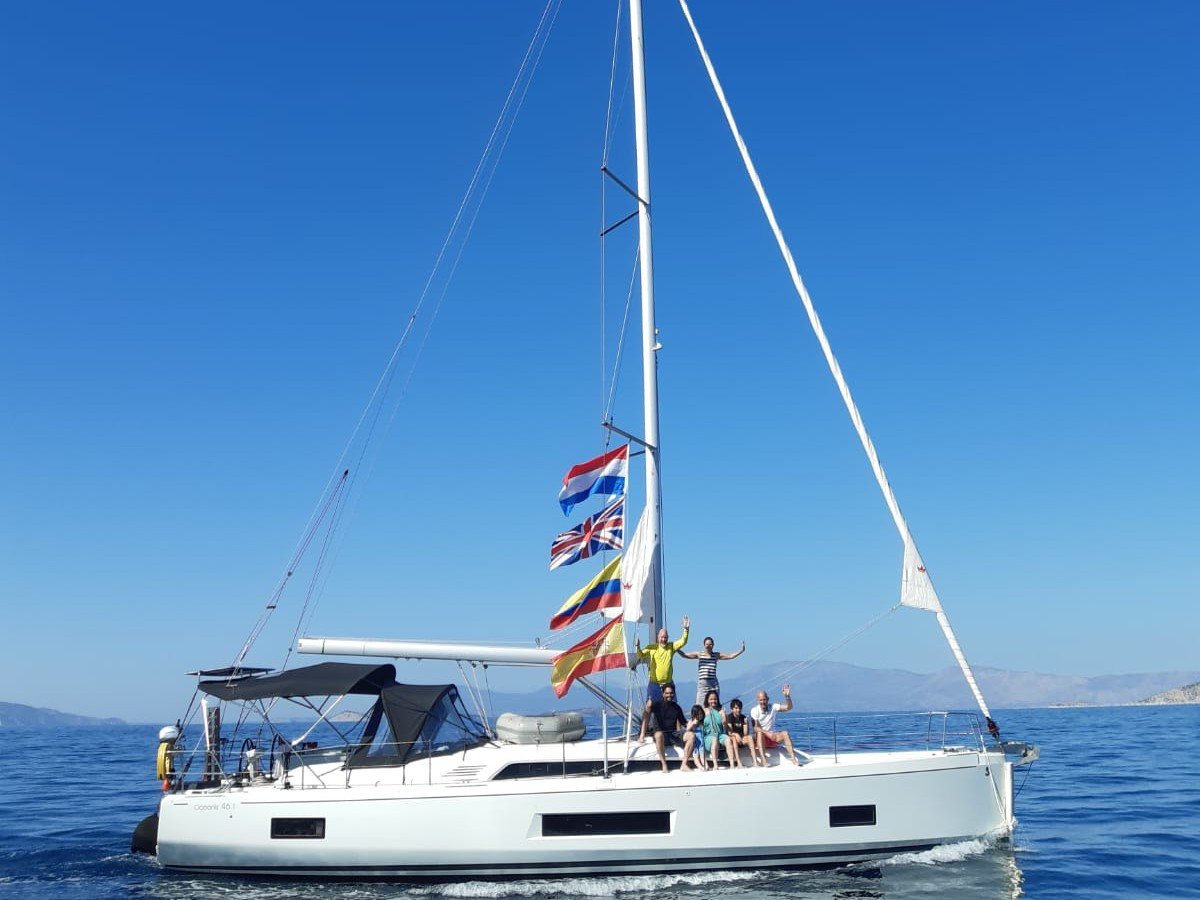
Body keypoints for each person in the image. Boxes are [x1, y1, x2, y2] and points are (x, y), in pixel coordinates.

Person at [634, 616, 690, 702]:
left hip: (668, 684)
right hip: (654, 684)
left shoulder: (671, 646)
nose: (664, 639)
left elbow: (683, 641)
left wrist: (686, 629)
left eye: (666, 637)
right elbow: (640, 655)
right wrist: (637, 646)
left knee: (672, 707)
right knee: (650, 707)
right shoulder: (652, 648)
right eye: (662, 637)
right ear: (658, 637)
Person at [680, 636, 745, 707]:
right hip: (702, 684)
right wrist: (675, 648)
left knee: (715, 705)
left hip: (713, 684)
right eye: (707, 644)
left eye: (710, 644)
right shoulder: (699, 654)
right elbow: (684, 655)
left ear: (713, 645)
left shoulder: (716, 655)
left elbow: (730, 656)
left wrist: (741, 650)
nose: (708, 646)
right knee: (699, 705)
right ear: (704, 645)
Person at [637, 683, 687, 773]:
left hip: (673, 734)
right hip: (661, 734)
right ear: (663, 694)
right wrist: (647, 707)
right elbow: (646, 715)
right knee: (659, 734)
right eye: (667, 693)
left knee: (691, 735)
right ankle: (664, 764)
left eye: (671, 693)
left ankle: (684, 764)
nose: (669, 695)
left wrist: (695, 723)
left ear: (674, 693)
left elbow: (684, 723)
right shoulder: (657, 705)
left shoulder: (677, 708)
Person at [749, 684, 801, 765]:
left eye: (764, 699)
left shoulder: (773, 707)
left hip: (772, 738)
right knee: (759, 733)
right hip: (761, 738)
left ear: (768, 699)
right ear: (758, 701)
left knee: (785, 733)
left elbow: (788, 707)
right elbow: (755, 728)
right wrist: (768, 733)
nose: (763, 702)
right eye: (761, 700)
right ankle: (763, 760)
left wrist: (787, 696)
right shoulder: (754, 710)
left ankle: (793, 759)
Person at [702, 690, 739, 769]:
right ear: (707, 700)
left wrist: (724, 720)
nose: (713, 701)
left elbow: (725, 727)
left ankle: (732, 764)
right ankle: (715, 765)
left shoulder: (721, 711)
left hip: (720, 735)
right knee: (714, 739)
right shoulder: (704, 711)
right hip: (709, 736)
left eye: (715, 699)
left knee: (728, 739)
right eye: (711, 699)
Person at [725, 697, 759, 767]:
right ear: (732, 709)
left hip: (741, 739)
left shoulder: (743, 717)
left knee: (749, 737)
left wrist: (746, 724)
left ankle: (755, 762)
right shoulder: (729, 717)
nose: (738, 710)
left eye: (740, 708)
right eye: (736, 708)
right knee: (734, 738)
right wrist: (736, 735)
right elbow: (729, 732)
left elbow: (745, 733)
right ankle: (738, 762)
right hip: (733, 739)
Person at [683, 705, 707, 771]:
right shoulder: (691, 721)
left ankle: (706, 765)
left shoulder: (702, 723)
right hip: (695, 744)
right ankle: (700, 767)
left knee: (702, 755)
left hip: (701, 744)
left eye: (701, 714)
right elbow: (687, 730)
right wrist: (693, 724)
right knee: (696, 756)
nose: (700, 715)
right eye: (698, 714)